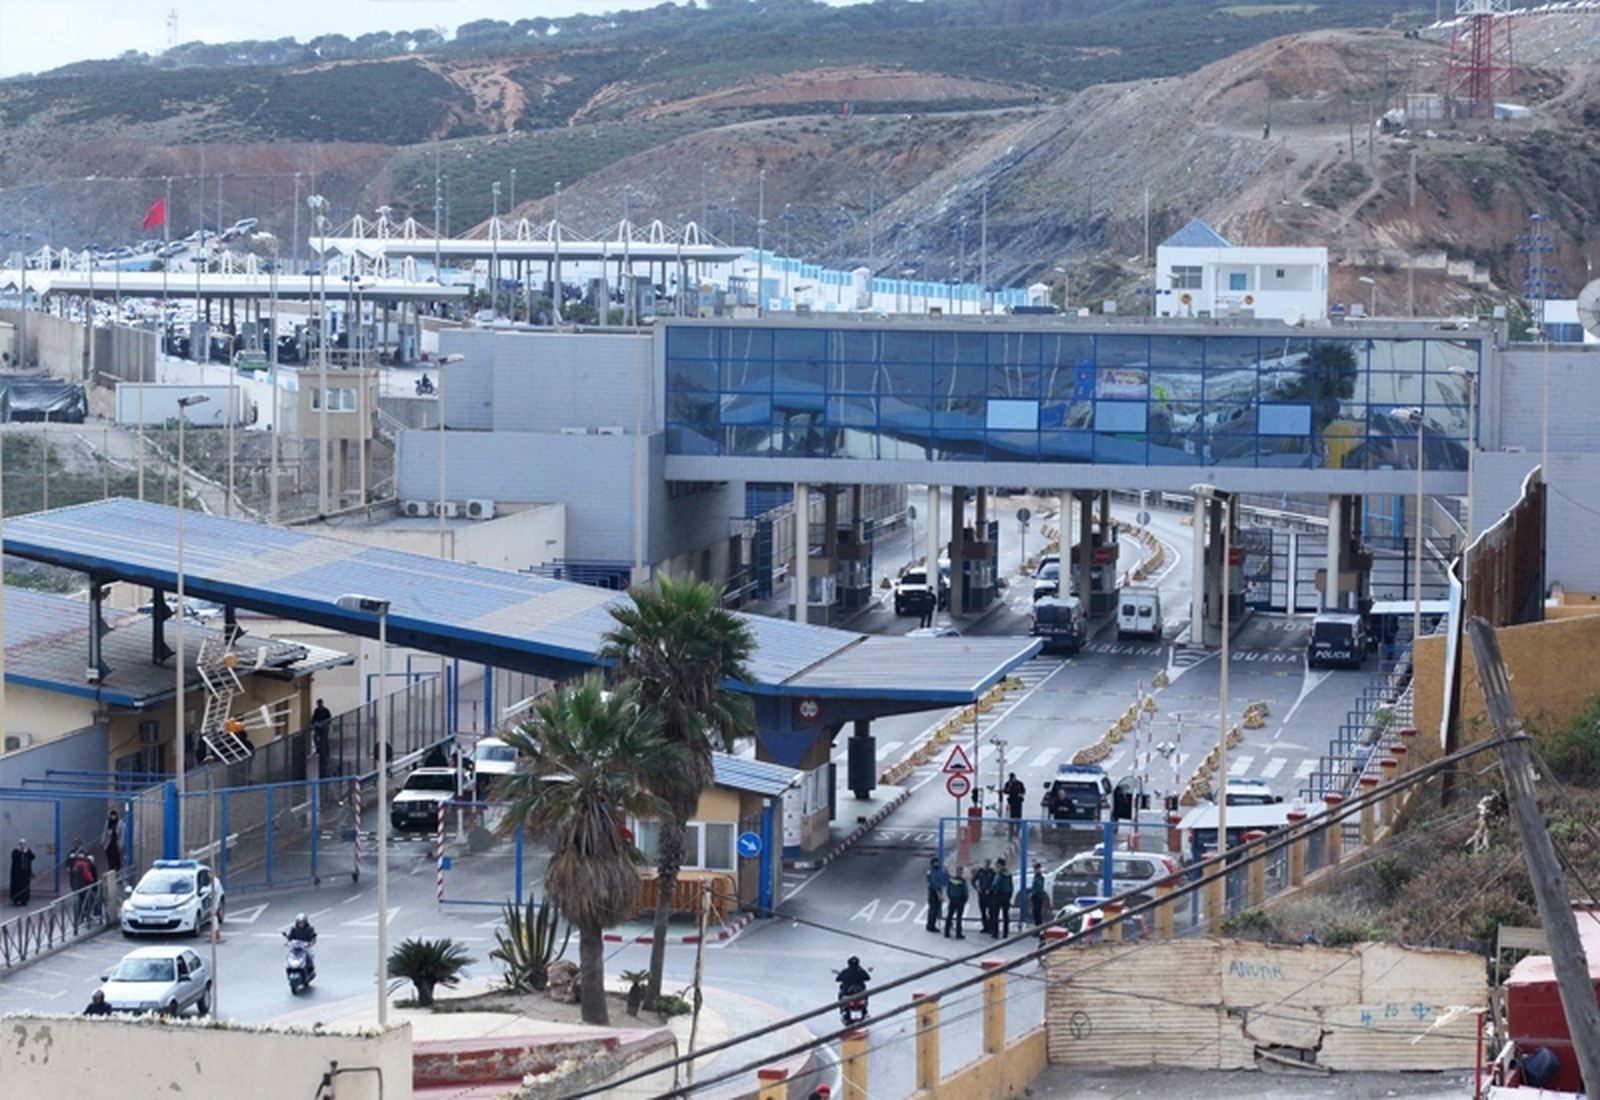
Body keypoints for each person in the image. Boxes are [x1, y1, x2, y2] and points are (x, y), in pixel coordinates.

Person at [943, 865, 969, 939]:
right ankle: (958, 934)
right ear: (961, 872)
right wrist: (964, 900)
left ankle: (946, 932)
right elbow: (965, 892)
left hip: (952, 900)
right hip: (960, 901)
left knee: (949, 916)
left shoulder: (952, 880)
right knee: (959, 917)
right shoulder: (962, 881)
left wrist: (950, 897)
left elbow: (948, 890)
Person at [993, 857, 1015, 939]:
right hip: (1007, 896)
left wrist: (993, 891)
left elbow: (996, 884)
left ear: (999, 865)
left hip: (999, 896)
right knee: (1006, 915)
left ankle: (995, 933)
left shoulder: (1000, 874)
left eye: (997, 864)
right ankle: (1005, 933)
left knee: (996, 915)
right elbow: (1011, 886)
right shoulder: (1009, 874)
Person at [924, 856, 947, 934]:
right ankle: (931, 926)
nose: (937, 864)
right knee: (934, 909)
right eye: (936, 862)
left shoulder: (930, 871)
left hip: (931, 892)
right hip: (934, 893)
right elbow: (936, 884)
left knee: (932, 909)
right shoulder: (934, 872)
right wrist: (939, 895)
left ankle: (930, 925)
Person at [9, 839, 36, 906]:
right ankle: (15, 899)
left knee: (25, 887)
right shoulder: (15, 851)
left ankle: (24, 900)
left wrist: (25, 852)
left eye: (23, 844)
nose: (22, 845)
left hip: (25, 873)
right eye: (21, 844)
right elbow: (14, 858)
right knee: (16, 886)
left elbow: (32, 857)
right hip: (17, 873)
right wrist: (21, 852)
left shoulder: (27, 850)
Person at [973, 859, 996, 936]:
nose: (986, 866)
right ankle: (985, 927)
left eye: (988, 864)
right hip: (981, 894)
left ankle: (991, 928)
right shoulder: (980, 872)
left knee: (991, 912)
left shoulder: (992, 873)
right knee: (983, 912)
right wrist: (977, 888)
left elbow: (995, 883)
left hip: (989, 895)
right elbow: (973, 881)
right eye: (985, 864)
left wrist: (990, 889)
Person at [310, 699, 332, 764]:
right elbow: (313, 719)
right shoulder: (316, 710)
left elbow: (329, 719)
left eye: (320, 704)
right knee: (315, 737)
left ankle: (327, 753)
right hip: (318, 727)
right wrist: (314, 723)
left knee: (324, 740)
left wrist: (324, 723)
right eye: (318, 704)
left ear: (322, 704)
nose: (319, 705)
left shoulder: (326, 710)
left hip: (324, 728)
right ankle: (318, 749)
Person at [102, 811, 123, 876]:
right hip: (109, 843)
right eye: (112, 816)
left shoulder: (119, 823)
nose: (113, 817)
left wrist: (121, 844)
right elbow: (105, 832)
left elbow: (121, 834)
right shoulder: (108, 823)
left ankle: (117, 870)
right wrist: (102, 841)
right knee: (110, 856)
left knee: (116, 857)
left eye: (114, 815)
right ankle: (111, 869)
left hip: (116, 842)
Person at [1029, 861, 1048, 929]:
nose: (1034, 870)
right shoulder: (1036, 877)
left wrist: (1032, 894)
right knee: (1035, 914)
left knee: (1037, 914)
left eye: (1035, 869)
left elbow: (1038, 888)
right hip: (1035, 897)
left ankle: (1039, 929)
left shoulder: (1039, 877)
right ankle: (1037, 928)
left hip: (1038, 897)